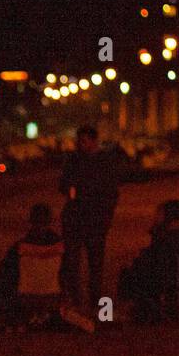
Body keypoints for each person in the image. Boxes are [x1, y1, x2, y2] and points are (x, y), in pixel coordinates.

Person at [117, 200, 179, 322]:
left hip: (171, 278)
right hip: (178, 276)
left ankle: (140, 310)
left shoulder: (174, 235)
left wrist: (137, 262)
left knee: (129, 275)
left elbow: (161, 258)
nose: (156, 217)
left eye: (159, 214)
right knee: (133, 272)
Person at [0, 203, 64, 328]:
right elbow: (67, 273)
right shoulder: (61, 248)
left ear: (31, 221)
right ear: (50, 221)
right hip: (53, 297)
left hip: (25, 298)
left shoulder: (20, 247)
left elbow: (5, 272)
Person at [58, 125, 121, 312]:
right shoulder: (74, 160)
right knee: (72, 262)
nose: (80, 144)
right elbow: (63, 184)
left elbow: (112, 192)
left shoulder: (104, 161)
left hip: (95, 220)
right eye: (79, 141)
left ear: (93, 141)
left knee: (95, 264)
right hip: (75, 217)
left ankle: (95, 300)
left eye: (84, 141)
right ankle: (76, 299)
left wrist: (105, 215)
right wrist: (71, 192)